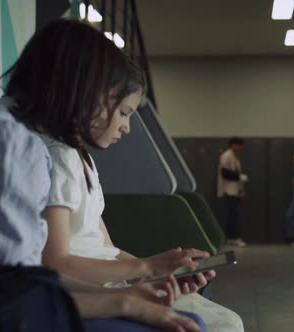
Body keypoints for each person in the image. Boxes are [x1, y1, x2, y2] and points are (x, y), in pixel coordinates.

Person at [0, 19, 206, 332]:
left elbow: (26, 277)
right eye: (118, 107)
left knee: (184, 321)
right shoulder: (6, 140)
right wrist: (123, 301)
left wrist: (127, 292)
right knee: (185, 327)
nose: (124, 125)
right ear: (84, 88)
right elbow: (12, 292)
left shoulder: (7, 130)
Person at [36, 56, 244, 332]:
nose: (126, 127)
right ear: (94, 101)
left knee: (227, 321)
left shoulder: (83, 160)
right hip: (91, 288)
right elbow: (55, 263)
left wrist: (160, 272)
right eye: (123, 113)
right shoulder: (56, 157)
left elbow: (106, 249)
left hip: (114, 279)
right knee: (224, 324)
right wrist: (146, 268)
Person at [217, 137, 248, 247]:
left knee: (233, 216)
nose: (241, 148)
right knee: (230, 216)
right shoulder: (226, 156)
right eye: (239, 145)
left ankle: (232, 237)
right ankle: (232, 238)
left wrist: (241, 191)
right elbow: (225, 173)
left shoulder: (234, 157)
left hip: (234, 191)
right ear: (233, 145)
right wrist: (239, 177)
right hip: (228, 191)